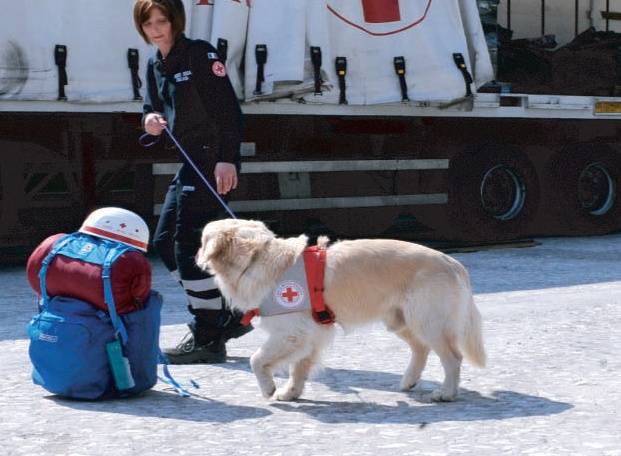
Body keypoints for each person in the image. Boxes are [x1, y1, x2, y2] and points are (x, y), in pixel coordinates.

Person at [133, 0, 251, 364]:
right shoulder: (155, 64)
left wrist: (227, 158)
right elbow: (150, 108)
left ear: (175, 21)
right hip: (189, 163)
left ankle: (208, 333)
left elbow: (228, 110)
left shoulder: (199, 54)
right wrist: (149, 122)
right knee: (165, 241)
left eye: (162, 21)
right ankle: (223, 315)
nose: (156, 28)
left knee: (187, 246)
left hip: (212, 160)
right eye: (148, 22)